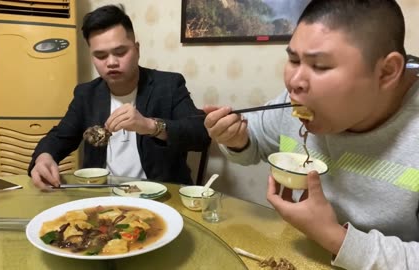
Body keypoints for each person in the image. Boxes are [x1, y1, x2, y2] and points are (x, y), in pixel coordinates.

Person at [204, 0, 418, 269]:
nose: (295, 82)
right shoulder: (296, 101)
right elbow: (253, 142)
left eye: (320, 66)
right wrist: (236, 140)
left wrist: (336, 238)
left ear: (386, 72)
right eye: (293, 59)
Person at [29, 4, 210, 189]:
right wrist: (44, 157)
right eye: (100, 56)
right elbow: (60, 137)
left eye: (121, 52)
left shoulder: (169, 85)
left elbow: (201, 134)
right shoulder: (86, 94)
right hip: (102, 196)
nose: (112, 62)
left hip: (161, 196)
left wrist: (150, 126)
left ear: (137, 50)